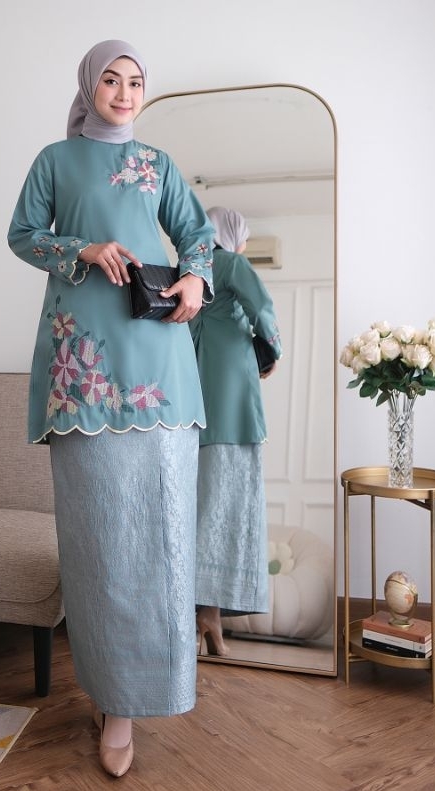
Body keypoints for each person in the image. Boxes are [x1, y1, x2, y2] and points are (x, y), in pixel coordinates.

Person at [8, 40, 214, 778]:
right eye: (110, 80)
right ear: (88, 87)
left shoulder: (157, 164)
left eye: (135, 82)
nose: (124, 93)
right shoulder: (55, 162)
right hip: (84, 382)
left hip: (161, 373)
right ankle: (112, 699)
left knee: (161, 540)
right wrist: (85, 249)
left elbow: (198, 235)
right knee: (100, 546)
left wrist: (195, 280)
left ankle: (149, 694)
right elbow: (22, 236)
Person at [189, 206, 282, 656]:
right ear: (233, 235)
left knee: (199, 507)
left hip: (190, 395)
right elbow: (261, 307)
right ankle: (205, 618)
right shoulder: (230, 263)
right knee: (229, 503)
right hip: (230, 398)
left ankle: (204, 618)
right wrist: (272, 351)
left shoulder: (188, 268)